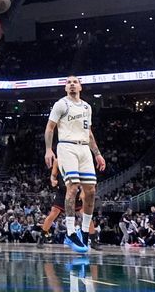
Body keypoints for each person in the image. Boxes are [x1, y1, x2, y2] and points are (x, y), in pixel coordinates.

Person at [44, 76, 106, 254]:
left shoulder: (87, 107)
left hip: (84, 148)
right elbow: (50, 128)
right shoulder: (61, 104)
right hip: (66, 146)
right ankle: (70, 232)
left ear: (80, 86)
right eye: (68, 82)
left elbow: (89, 132)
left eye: (75, 82)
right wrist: (49, 149)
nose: (72, 84)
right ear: (65, 88)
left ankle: (85, 232)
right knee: (72, 188)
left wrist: (98, 154)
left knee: (91, 191)